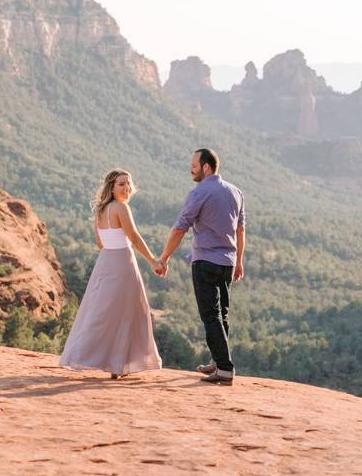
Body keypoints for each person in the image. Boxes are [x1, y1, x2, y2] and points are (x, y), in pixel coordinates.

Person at [60, 169, 163, 378]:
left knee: (102, 311)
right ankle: (119, 364)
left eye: (128, 183)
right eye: (121, 184)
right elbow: (133, 237)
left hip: (105, 262)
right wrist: (153, 260)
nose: (126, 188)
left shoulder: (100, 210)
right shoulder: (121, 208)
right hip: (123, 262)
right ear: (112, 187)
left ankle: (106, 361)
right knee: (129, 311)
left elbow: (99, 243)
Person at [156, 148, 245, 385]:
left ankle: (225, 369)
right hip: (227, 262)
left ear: (206, 167)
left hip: (205, 261)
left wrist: (164, 257)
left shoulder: (199, 193)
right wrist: (239, 261)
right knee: (222, 315)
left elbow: (180, 228)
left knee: (210, 315)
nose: (191, 168)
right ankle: (218, 360)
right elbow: (240, 230)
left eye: (194, 164)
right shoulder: (236, 192)